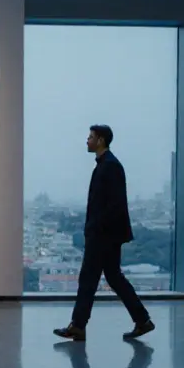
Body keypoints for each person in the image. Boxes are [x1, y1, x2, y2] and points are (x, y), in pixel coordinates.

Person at [53, 124, 155, 342]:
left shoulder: (109, 166)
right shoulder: (107, 165)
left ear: (100, 140)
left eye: (90, 137)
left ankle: (78, 326)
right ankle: (142, 320)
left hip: (103, 235)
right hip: (107, 234)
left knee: (89, 278)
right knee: (113, 277)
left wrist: (95, 227)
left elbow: (114, 204)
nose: (87, 141)